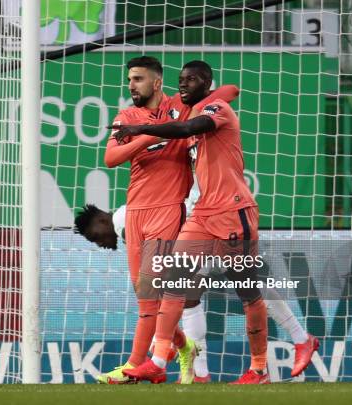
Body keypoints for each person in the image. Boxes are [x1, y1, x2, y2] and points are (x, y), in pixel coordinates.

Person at [112, 60, 296, 384]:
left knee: (249, 290)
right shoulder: (185, 110)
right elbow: (112, 157)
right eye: (181, 79)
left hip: (232, 210)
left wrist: (141, 130)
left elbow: (191, 123)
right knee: (174, 279)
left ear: (206, 83)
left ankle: (261, 367)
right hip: (203, 213)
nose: (184, 84)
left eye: (191, 80)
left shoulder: (212, 110)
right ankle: (160, 361)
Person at [84, 56, 240, 384]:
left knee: (152, 297)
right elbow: (111, 158)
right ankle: (180, 349)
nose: (131, 86)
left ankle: (135, 367)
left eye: (138, 79)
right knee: (146, 298)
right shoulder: (127, 116)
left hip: (168, 210)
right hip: (135, 212)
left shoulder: (181, 108)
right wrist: (149, 136)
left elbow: (229, 90)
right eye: (129, 79)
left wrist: (148, 132)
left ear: (156, 82)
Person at [75, 198, 319, 381]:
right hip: (207, 232)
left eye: (96, 237)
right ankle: (199, 370)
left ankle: (295, 341)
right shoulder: (128, 218)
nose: (102, 244)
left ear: (102, 220)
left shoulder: (123, 221)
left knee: (246, 288)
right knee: (203, 294)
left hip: (212, 228)